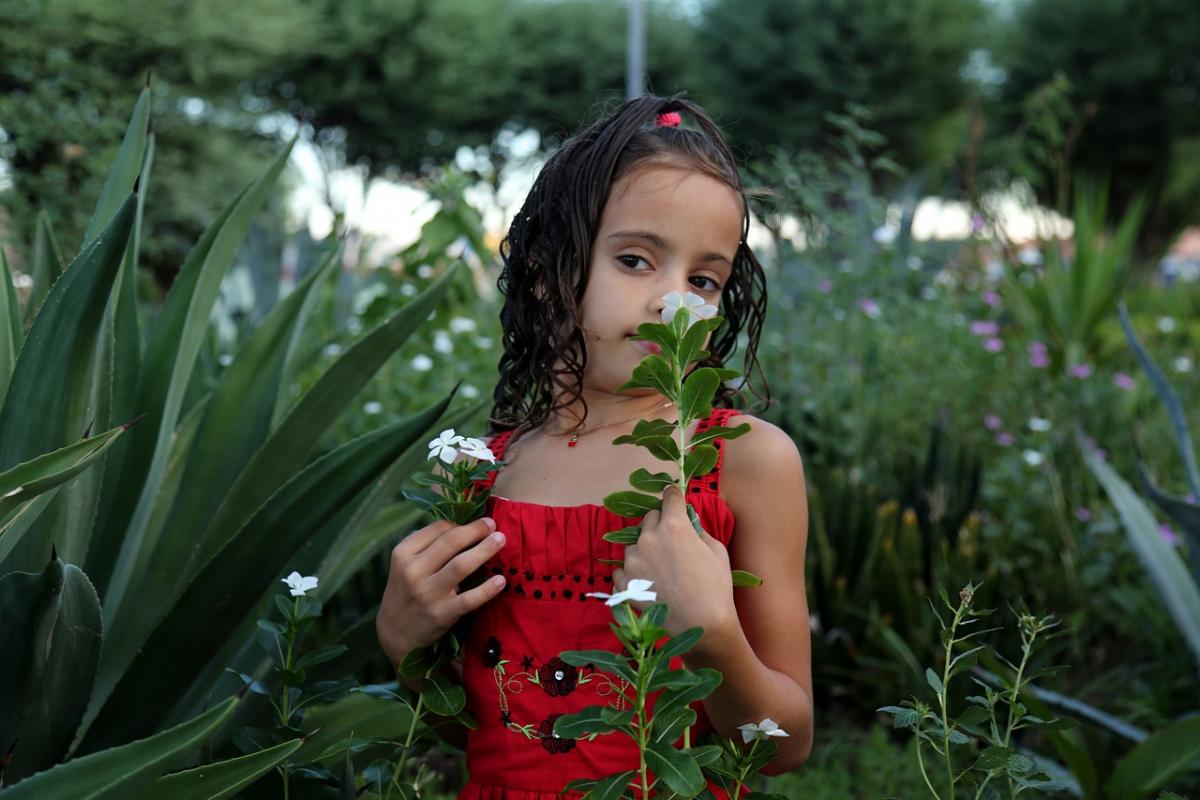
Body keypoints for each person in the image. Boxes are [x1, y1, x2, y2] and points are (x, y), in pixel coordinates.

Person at [376, 95, 812, 800]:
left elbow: (787, 746)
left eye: (704, 280)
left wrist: (713, 637)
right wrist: (405, 643)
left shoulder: (744, 460)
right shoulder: (480, 473)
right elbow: (484, 725)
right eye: (636, 260)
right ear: (549, 271)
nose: (676, 301)